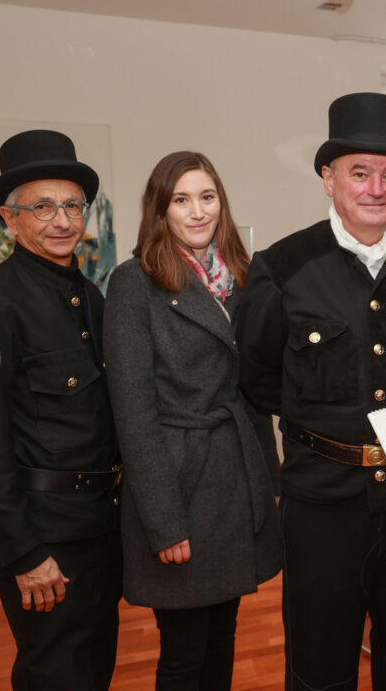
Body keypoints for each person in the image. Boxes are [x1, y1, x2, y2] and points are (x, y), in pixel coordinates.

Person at [235, 92, 386, 691]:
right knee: (319, 667)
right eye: (359, 173)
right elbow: (258, 380)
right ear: (328, 178)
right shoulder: (281, 267)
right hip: (320, 506)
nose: (376, 188)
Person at [0, 129, 122, 691]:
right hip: (46, 539)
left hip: (100, 526)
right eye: (43, 207)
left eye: (73, 205)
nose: (63, 221)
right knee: (55, 675)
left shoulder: (90, 297)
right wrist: (23, 551)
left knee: (95, 668)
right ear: (9, 217)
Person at [102, 151, 283, 690]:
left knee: (223, 636)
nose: (197, 211)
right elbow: (132, 410)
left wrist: (268, 481)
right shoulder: (135, 282)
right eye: (181, 199)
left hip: (236, 479)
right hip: (178, 485)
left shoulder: (243, 278)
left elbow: (251, 392)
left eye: (207, 197)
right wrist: (164, 521)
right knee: (184, 651)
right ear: (160, 210)